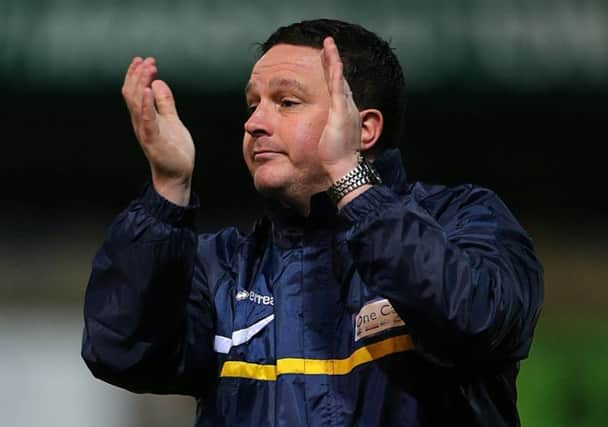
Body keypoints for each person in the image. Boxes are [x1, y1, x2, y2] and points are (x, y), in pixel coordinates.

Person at [82, 19, 543, 427]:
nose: (255, 123)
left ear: (365, 129)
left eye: (286, 102)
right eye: (253, 104)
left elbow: (475, 322)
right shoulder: (221, 267)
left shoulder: (464, 220)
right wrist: (168, 188)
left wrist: (351, 181)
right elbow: (123, 352)